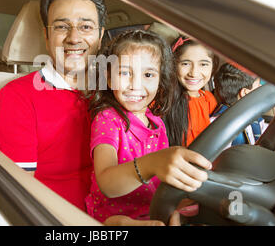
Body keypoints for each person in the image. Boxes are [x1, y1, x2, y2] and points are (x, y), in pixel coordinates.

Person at [0, 0, 107, 211]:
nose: (74, 38)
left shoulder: (117, 92)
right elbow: (18, 197)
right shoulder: (17, 97)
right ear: (46, 35)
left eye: (86, 27)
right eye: (62, 27)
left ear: (100, 35)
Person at [85, 30, 212, 225]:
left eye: (148, 74)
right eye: (125, 73)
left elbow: (160, 180)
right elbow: (107, 184)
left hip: (153, 208)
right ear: (109, 79)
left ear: (160, 81)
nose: (135, 85)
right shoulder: (108, 119)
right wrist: (151, 164)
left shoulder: (157, 122)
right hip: (112, 215)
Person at [211, 63, 275, 161]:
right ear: (245, 93)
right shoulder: (219, 125)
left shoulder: (253, 118)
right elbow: (224, 161)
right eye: (258, 85)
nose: (260, 87)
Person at [164, 36, 220, 147]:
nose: (194, 73)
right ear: (174, 65)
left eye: (203, 64)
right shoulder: (163, 99)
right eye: (186, 64)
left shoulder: (208, 99)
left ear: (213, 66)